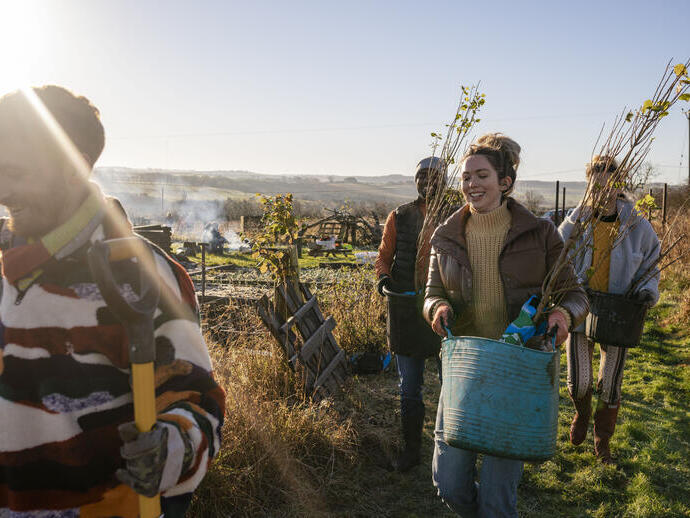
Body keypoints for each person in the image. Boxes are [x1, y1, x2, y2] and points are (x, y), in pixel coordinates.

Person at [0, 85, 225, 517]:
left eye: (17, 172)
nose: (3, 190)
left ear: (73, 168)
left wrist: (170, 448)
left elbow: (195, 399)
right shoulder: (5, 261)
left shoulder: (137, 273)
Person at [423, 133, 588, 517]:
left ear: (505, 183)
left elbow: (574, 294)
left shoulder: (540, 233)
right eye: (465, 177)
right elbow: (431, 292)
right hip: (465, 368)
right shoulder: (445, 236)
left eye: (481, 175)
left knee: (497, 499)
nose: (471, 184)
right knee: (447, 482)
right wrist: (437, 308)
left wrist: (563, 315)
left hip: (516, 371)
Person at [558, 155, 660, 464]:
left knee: (610, 384)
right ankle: (582, 413)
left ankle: (602, 438)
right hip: (580, 308)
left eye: (609, 185)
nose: (603, 192)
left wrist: (645, 293)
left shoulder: (637, 225)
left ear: (619, 187)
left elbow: (651, 263)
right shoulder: (576, 223)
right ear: (588, 185)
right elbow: (556, 254)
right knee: (580, 382)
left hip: (618, 312)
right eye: (596, 185)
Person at [375, 156, 445, 472]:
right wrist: (384, 278)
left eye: (434, 177)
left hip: (446, 311)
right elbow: (384, 257)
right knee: (409, 385)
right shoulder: (399, 217)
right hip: (405, 307)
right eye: (421, 177)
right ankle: (412, 450)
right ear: (414, 181)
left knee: (451, 382)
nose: (427, 182)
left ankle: (450, 448)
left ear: (444, 181)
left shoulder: (456, 216)